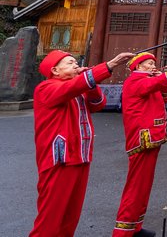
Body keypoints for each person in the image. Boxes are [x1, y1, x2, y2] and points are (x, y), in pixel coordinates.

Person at [31, 49, 134, 237]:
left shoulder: (76, 88)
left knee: (71, 214)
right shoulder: (46, 88)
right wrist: (109, 65)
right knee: (51, 216)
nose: (76, 65)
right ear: (55, 70)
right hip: (60, 158)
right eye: (70, 63)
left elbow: (98, 104)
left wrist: (91, 83)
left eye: (75, 62)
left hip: (80, 156)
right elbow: (72, 88)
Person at [113, 52, 167, 237]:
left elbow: (164, 97)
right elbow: (156, 83)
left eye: (154, 63)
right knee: (135, 187)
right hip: (141, 140)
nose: (153, 66)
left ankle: (135, 226)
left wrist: (165, 80)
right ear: (138, 67)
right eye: (149, 63)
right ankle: (122, 232)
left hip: (152, 138)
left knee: (144, 186)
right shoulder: (135, 81)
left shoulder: (148, 81)